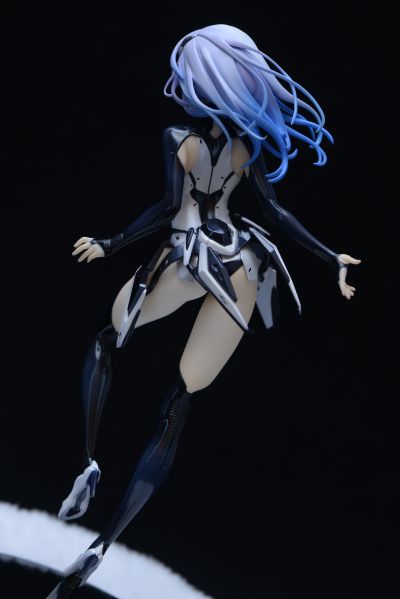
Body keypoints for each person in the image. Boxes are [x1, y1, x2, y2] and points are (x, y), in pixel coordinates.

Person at [48, 24, 360, 596]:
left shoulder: (180, 139)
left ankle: (90, 464)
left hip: (187, 256)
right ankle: (104, 543)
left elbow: (168, 208)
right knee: (179, 403)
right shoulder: (246, 149)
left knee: (104, 337)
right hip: (240, 263)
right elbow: (276, 214)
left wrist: (112, 243)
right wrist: (330, 256)